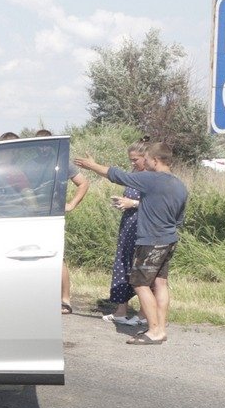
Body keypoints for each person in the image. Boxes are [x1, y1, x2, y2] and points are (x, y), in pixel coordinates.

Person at [74, 142, 188, 345]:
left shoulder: (151, 179)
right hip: (169, 239)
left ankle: (154, 331)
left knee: (140, 283)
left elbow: (117, 175)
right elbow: (179, 219)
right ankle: (161, 327)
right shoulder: (180, 185)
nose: (144, 162)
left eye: (146, 159)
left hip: (150, 240)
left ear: (154, 160)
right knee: (160, 283)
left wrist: (92, 165)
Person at [102, 142, 148, 325]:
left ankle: (144, 314)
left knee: (142, 269)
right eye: (130, 160)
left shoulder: (153, 177)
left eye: (135, 160)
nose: (132, 164)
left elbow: (157, 204)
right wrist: (123, 203)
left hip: (143, 227)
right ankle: (121, 310)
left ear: (146, 157)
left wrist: (134, 204)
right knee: (123, 265)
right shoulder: (134, 175)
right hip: (128, 226)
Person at [60, 153, 90, 314]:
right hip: (31, 214)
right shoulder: (32, 163)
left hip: (54, 215)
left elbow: (83, 182)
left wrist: (71, 204)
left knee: (58, 257)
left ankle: (65, 300)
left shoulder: (62, 162)